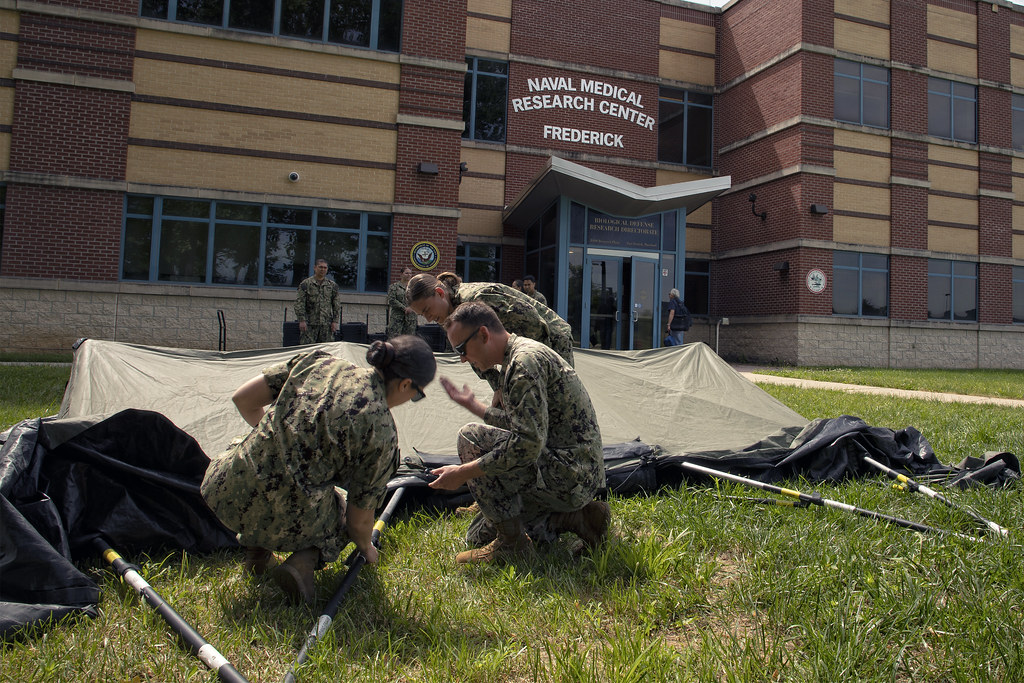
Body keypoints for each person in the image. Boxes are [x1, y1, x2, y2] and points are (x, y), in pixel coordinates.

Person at [200, 336, 436, 604]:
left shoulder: (318, 363)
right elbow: (359, 521)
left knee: (271, 465)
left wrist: (277, 443)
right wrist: (367, 549)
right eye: (416, 394)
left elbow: (243, 399)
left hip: (225, 488)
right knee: (341, 507)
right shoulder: (381, 432)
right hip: (281, 515)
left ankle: (258, 554)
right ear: (405, 384)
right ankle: (303, 561)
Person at [428, 302, 608, 564]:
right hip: (571, 470)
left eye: (461, 349)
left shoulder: (523, 364)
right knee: (477, 536)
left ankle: (513, 544)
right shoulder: (519, 355)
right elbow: (524, 424)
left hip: (570, 475)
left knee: (470, 437)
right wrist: (475, 406)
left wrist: (464, 472)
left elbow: (527, 445)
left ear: (483, 334)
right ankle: (577, 517)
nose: (463, 359)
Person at [405, 272, 573, 376]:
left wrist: (510, 372)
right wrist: (498, 385)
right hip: (528, 348)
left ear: (440, 293)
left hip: (553, 338)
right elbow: (470, 353)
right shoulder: (447, 316)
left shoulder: (478, 298)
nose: (428, 319)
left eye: (427, 310)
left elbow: (533, 325)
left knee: (556, 405)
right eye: (422, 314)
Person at [294, 259, 342, 344]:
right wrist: (302, 320)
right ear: (315, 268)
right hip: (309, 324)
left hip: (326, 325)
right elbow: (299, 303)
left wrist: (335, 321)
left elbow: (336, 305)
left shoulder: (332, 286)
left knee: (326, 349)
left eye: (325, 268)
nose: (322, 269)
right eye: (320, 267)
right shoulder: (306, 284)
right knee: (308, 348)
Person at [387, 267, 418, 339]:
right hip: (397, 318)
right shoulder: (394, 287)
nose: (409, 275)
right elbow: (392, 300)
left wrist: (411, 307)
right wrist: (404, 308)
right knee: (394, 338)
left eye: (410, 273)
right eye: (406, 273)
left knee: (409, 339)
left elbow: (418, 300)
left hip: (411, 319)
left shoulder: (414, 288)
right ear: (401, 274)